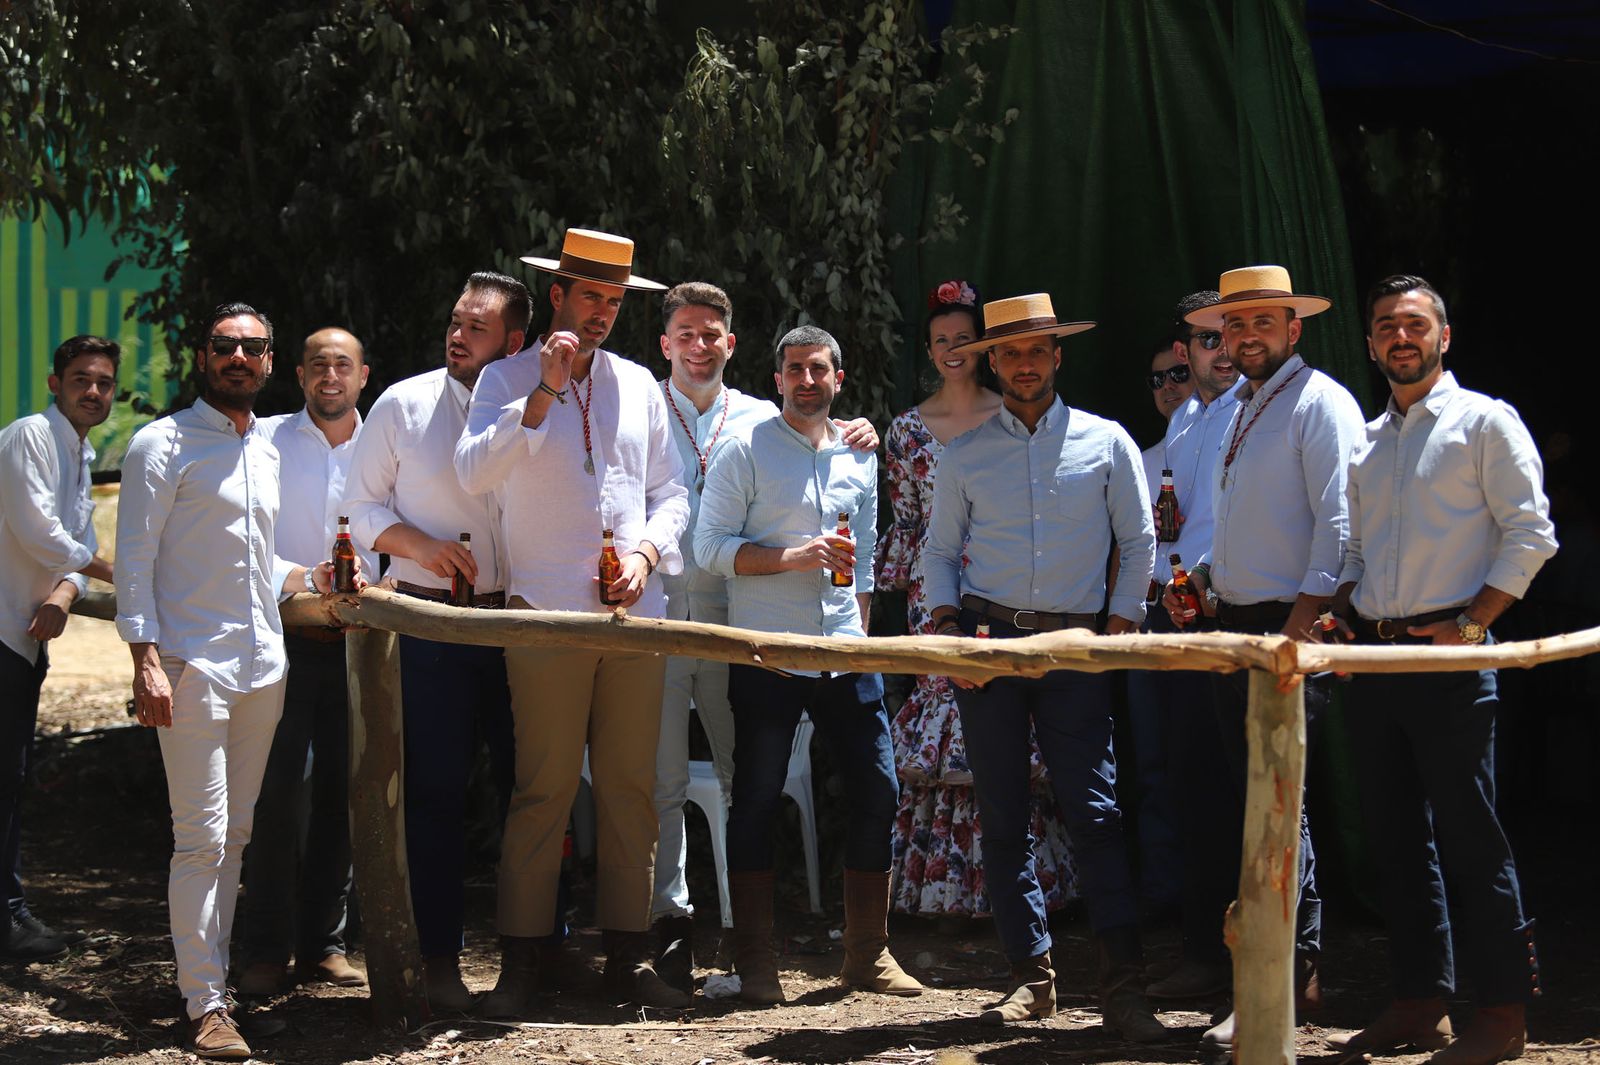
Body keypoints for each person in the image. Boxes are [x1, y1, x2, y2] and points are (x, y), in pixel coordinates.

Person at [455, 229, 690, 1011]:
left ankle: (627, 958)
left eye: (616, 301)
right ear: (557, 295)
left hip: (634, 617)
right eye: (592, 296)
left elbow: (672, 493)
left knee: (628, 788)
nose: (604, 313)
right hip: (544, 613)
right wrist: (546, 391)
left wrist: (648, 558)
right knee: (543, 788)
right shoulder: (507, 377)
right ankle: (524, 962)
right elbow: (473, 471)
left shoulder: (638, 383)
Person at [1323, 275, 1555, 1065]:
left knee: (1471, 841)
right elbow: (1354, 551)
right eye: (1385, 324)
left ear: (1443, 336)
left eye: (1414, 324)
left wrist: (1471, 624)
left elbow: (1531, 535)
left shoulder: (1485, 421)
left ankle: (1501, 1016)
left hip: (1453, 662)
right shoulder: (1367, 438)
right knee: (1395, 841)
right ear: (1370, 343)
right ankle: (1421, 1003)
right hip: (1379, 660)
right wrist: (1342, 617)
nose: (1400, 336)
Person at [117, 303, 358, 1059]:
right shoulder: (162, 443)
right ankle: (205, 1003)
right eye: (227, 347)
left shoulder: (265, 449)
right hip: (189, 665)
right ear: (202, 356)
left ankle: (213, 985)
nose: (240, 359)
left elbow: (259, 563)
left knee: (242, 835)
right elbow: (134, 561)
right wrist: (144, 657)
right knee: (202, 839)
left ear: (266, 360)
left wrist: (313, 576)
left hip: (263, 666)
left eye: (254, 348)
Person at [923, 293, 1165, 1041]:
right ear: (994, 360)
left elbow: (1141, 538)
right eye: (1011, 353)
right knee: (1002, 816)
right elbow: (937, 552)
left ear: (1058, 357)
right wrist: (947, 629)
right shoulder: (964, 453)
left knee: (1095, 813)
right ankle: (1031, 978)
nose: (1024, 364)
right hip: (991, 646)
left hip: (1077, 647)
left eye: (1037, 351)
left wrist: (1120, 626)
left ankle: (1123, 988)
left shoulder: (1107, 441)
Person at [649, 282, 876, 993]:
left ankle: (836, 953)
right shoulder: (643, 408)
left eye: (711, 332)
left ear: (731, 344)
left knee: (768, 780)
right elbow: (689, 529)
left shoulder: (767, 418)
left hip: (760, 628)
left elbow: (857, 530)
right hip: (675, 615)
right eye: (685, 332)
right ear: (666, 343)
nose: (698, 343)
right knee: (669, 782)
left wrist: (863, 432)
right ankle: (677, 934)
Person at [1163, 265, 1365, 1052]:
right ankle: (1275, 979)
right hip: (1237, 628)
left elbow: (1339, 529)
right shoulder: (1240, 407)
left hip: (1288, 632)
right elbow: (1242, 525)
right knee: (1260, 806)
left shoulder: (1321, 402)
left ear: (1294, 327)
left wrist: (1299, 630)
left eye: (1261, 323)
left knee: (1283, 807)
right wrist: (1207, 585)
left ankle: (1284, 981)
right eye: (1233, 325)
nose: (1246, 337)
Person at [696, 325, 921, 1005]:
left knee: (878, 789)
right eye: (793, 369)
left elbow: (870, 550)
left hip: (845, 650)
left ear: (838, 379)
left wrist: (854, 617)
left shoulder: (858, 453)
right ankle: (758, 965)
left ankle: (868, 956)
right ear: (777, 380)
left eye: (817, 369)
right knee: (757, 799)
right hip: (768, 649)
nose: (806, 380)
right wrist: (794, 557)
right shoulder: (746, 447)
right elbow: (710, 548)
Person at [345, 273, 525, 1010]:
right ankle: (438, 960)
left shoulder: (538, 404)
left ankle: (535, 958)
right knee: (436, 792)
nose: (458, 335)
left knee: (533, 793)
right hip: (429, 622)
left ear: (514, 342)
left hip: (522, 620)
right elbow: (357, 506)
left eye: (477, 327)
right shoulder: (403, 402)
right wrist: (417, 544)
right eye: (455, 320)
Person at [876, 280, 1076, 920]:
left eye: (964, 338)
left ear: (985, 348)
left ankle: (1025, 896)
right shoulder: (906, 430)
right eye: (942, 341)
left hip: (1005, 584)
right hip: (935, 594)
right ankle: (940, 889)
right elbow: (907, 524)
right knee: (949, 721)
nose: (953, 349)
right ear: (929, 351)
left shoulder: (1014, 414)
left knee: (1011, 723)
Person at [236, 328, 374, 996]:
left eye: (342, 365)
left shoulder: (387, 445)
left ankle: (324, 942)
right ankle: (264, 947)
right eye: (318, 364)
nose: (329, 375)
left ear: (363, 376)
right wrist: (301, 575)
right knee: (273, 795)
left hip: (364, 646)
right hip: (280, 639)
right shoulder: (262, 440)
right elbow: (240, 539)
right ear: (297, 372)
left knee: (343, 796)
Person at [0, 335, 117, 961]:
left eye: (102, 382)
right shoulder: (30, 437)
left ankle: (8, 914)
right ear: (55, 384)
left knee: (10, 778)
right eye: (80, 380)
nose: (92, 391)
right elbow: (43, 534)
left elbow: (73, 542)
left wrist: (66, 594)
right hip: (2, 632)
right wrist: (119, 574)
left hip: (23, 635)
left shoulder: (80, 449)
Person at [1127, 326, 1198, 920]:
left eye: (1178, 374)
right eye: (1158, 380)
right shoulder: (1141, 461)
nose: (1169, 387)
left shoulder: (1226, 442)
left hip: (1208, 616)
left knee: (1206, 761)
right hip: (1151, 616)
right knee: (1151, 762)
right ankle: (1163, 899)